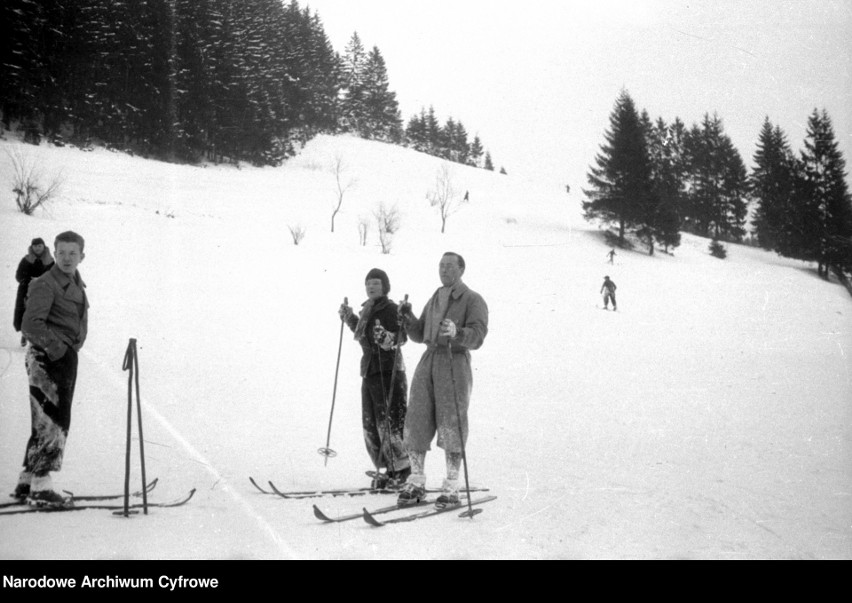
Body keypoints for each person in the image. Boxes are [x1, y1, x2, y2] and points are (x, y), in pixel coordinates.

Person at [396, 252, 488, 508]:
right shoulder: (435, 297)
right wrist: (408, 319)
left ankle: (451, 484)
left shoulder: (472, 299)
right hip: (429, 360)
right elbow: (418, 332)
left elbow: (479, 335)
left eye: (450, 266)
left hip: (454, 362)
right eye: (441, 265)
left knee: (451, 420)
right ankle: (416, 480)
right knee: (416, 418)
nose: (444, 270)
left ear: (461, 269)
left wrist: (458, 333)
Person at [15, 231, 89, 507]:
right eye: (62, 252)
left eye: (73, 253)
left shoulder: (75, 282)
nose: (67, 258)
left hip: (61, 357)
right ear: (53, 254)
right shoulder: (45, 283)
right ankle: (42, 488)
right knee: (53, 422)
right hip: (48, 358)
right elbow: (30, 325)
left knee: (46, 420)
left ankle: (27, 480)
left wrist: (72, 348)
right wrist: (59, 351)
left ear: (82, 255)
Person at [339, 269, 410, 489]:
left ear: (385, 286)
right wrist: (350, 318)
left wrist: (389, 338)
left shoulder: (390, 309)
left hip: (389, 372)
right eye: (368, 283)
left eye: (376, 283)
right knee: (371, 424)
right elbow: (364, 336)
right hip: (370, 371)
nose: (371, 287)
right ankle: (386, 469)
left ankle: (401, 471)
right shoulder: (368, 309)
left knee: (389, 423)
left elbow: (402, 336)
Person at [14, 238, 54, 347]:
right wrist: (27, 280)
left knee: (41, 313)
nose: (37, 248)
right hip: (26, 290)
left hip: (43, 290)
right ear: (32, 247)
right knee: (25, 311)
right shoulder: (26, 260)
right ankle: (24, 333)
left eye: (39, 246)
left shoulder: (50, 261)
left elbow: (54, 275)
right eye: (35, 246)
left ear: (43, 247)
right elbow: (18, 275)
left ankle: (38, 337)